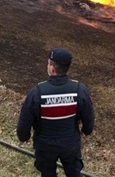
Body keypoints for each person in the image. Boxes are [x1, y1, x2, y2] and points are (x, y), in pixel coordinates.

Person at [17, 48, 95, 177]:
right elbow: (89, 117)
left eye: (48, 63)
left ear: (52, 69)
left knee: (47, 173)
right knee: (74, 172)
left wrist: (23, 137)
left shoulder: (37, 92)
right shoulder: (79, 90)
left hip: (45, 145)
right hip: (70, 144)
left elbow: (25, 120)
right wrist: (87, 130)